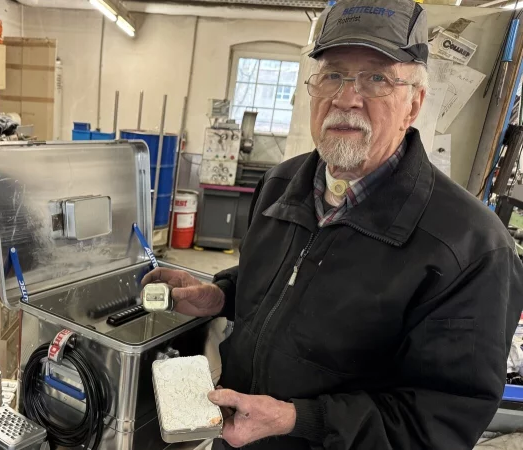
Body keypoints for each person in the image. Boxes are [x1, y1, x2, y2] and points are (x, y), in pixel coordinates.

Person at [143, 0, 523, 448]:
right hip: (236, 438)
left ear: (414, 103)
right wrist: (221, 295)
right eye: (332, 74)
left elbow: (439, 423)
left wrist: (297, 420)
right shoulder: (281, 183)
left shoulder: (471, 247)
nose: (345, 98)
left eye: (376, 78)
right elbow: (278, 284)